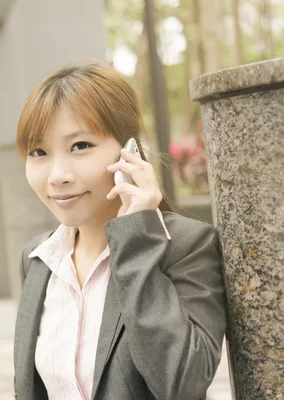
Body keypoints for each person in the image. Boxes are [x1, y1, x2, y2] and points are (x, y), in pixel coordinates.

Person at [13, 62, 227, 400]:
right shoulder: (39, 259)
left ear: (129, 151)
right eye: (38, 152)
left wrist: (136, 242)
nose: (57, 175)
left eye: (80, 146)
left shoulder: (185, 245)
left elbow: (183, 383)